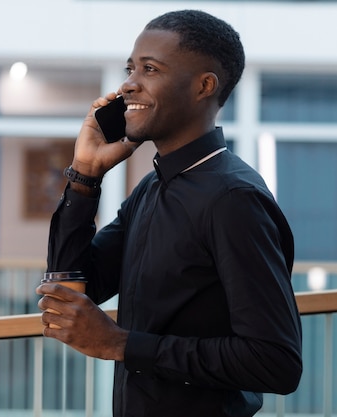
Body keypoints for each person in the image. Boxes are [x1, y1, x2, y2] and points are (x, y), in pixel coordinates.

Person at [36, 9, 303, 417]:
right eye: (130, 68)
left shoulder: (233, 198)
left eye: (150, 69)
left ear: (204, 86)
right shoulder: (152, 188)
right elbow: (73, 289)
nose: (128, 84)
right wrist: (85, 176)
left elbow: (275, 362)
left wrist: (121, 344)